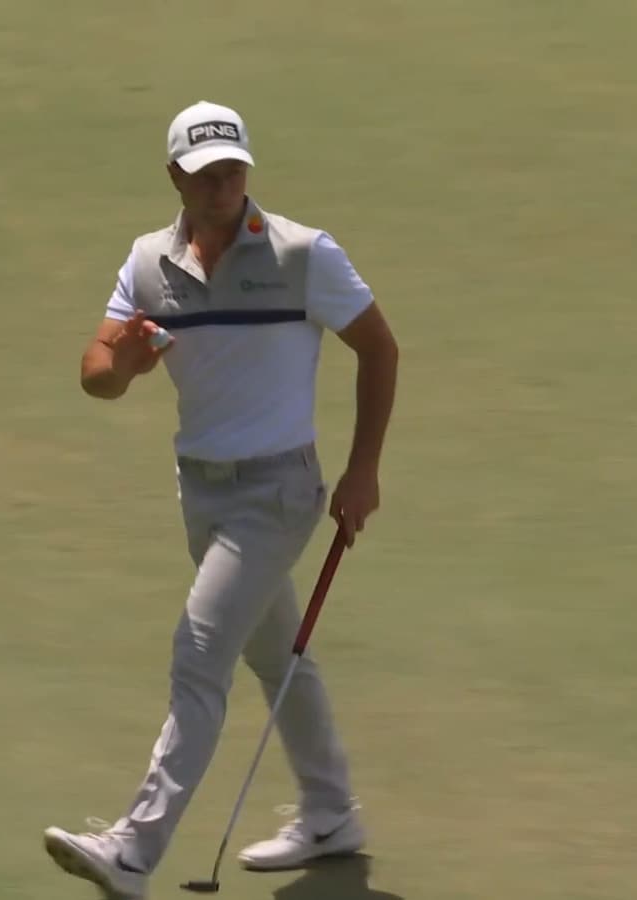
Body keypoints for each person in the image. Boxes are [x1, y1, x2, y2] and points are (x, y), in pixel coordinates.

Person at [42, 100, 400, 899]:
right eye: (205, 174)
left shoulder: (303, 254)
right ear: (176, 177)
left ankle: (133, 850)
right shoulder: (147, 264)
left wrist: (362, 469)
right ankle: (331, 811)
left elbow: (379, 347)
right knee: (275, 655)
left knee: (200, 655)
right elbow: (95, 371)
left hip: (278, 492)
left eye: (234, 169)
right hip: (200, 492)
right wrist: (127, 364)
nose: (223, 185)